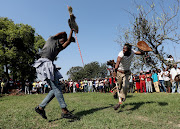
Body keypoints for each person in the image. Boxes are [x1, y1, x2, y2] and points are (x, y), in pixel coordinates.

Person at [33, 28, 76, 119]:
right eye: (62, 40)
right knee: (56, 88)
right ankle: (64, 110)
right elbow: (63, 33)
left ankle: (40, 107)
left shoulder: (59, 47)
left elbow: (68, 41)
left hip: (49, 65)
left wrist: (72, 31)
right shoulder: (51, 39)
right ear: (60, 39)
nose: (63, 42)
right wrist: (69, 29)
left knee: (55, 89)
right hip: (44, 64)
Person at [113, 43, 144, 110]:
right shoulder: (121, 54)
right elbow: (117, 62)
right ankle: (116, 92)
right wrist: (115, 71)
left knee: (125, 85)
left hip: (127, 72)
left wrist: (144, 50)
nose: (123, 50)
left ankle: (120, 102)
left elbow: (141, 53)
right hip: (119, 72)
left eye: (125, 48)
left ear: (129, 50)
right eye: (123, 48)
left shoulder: (132, 51)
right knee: (120, 86)